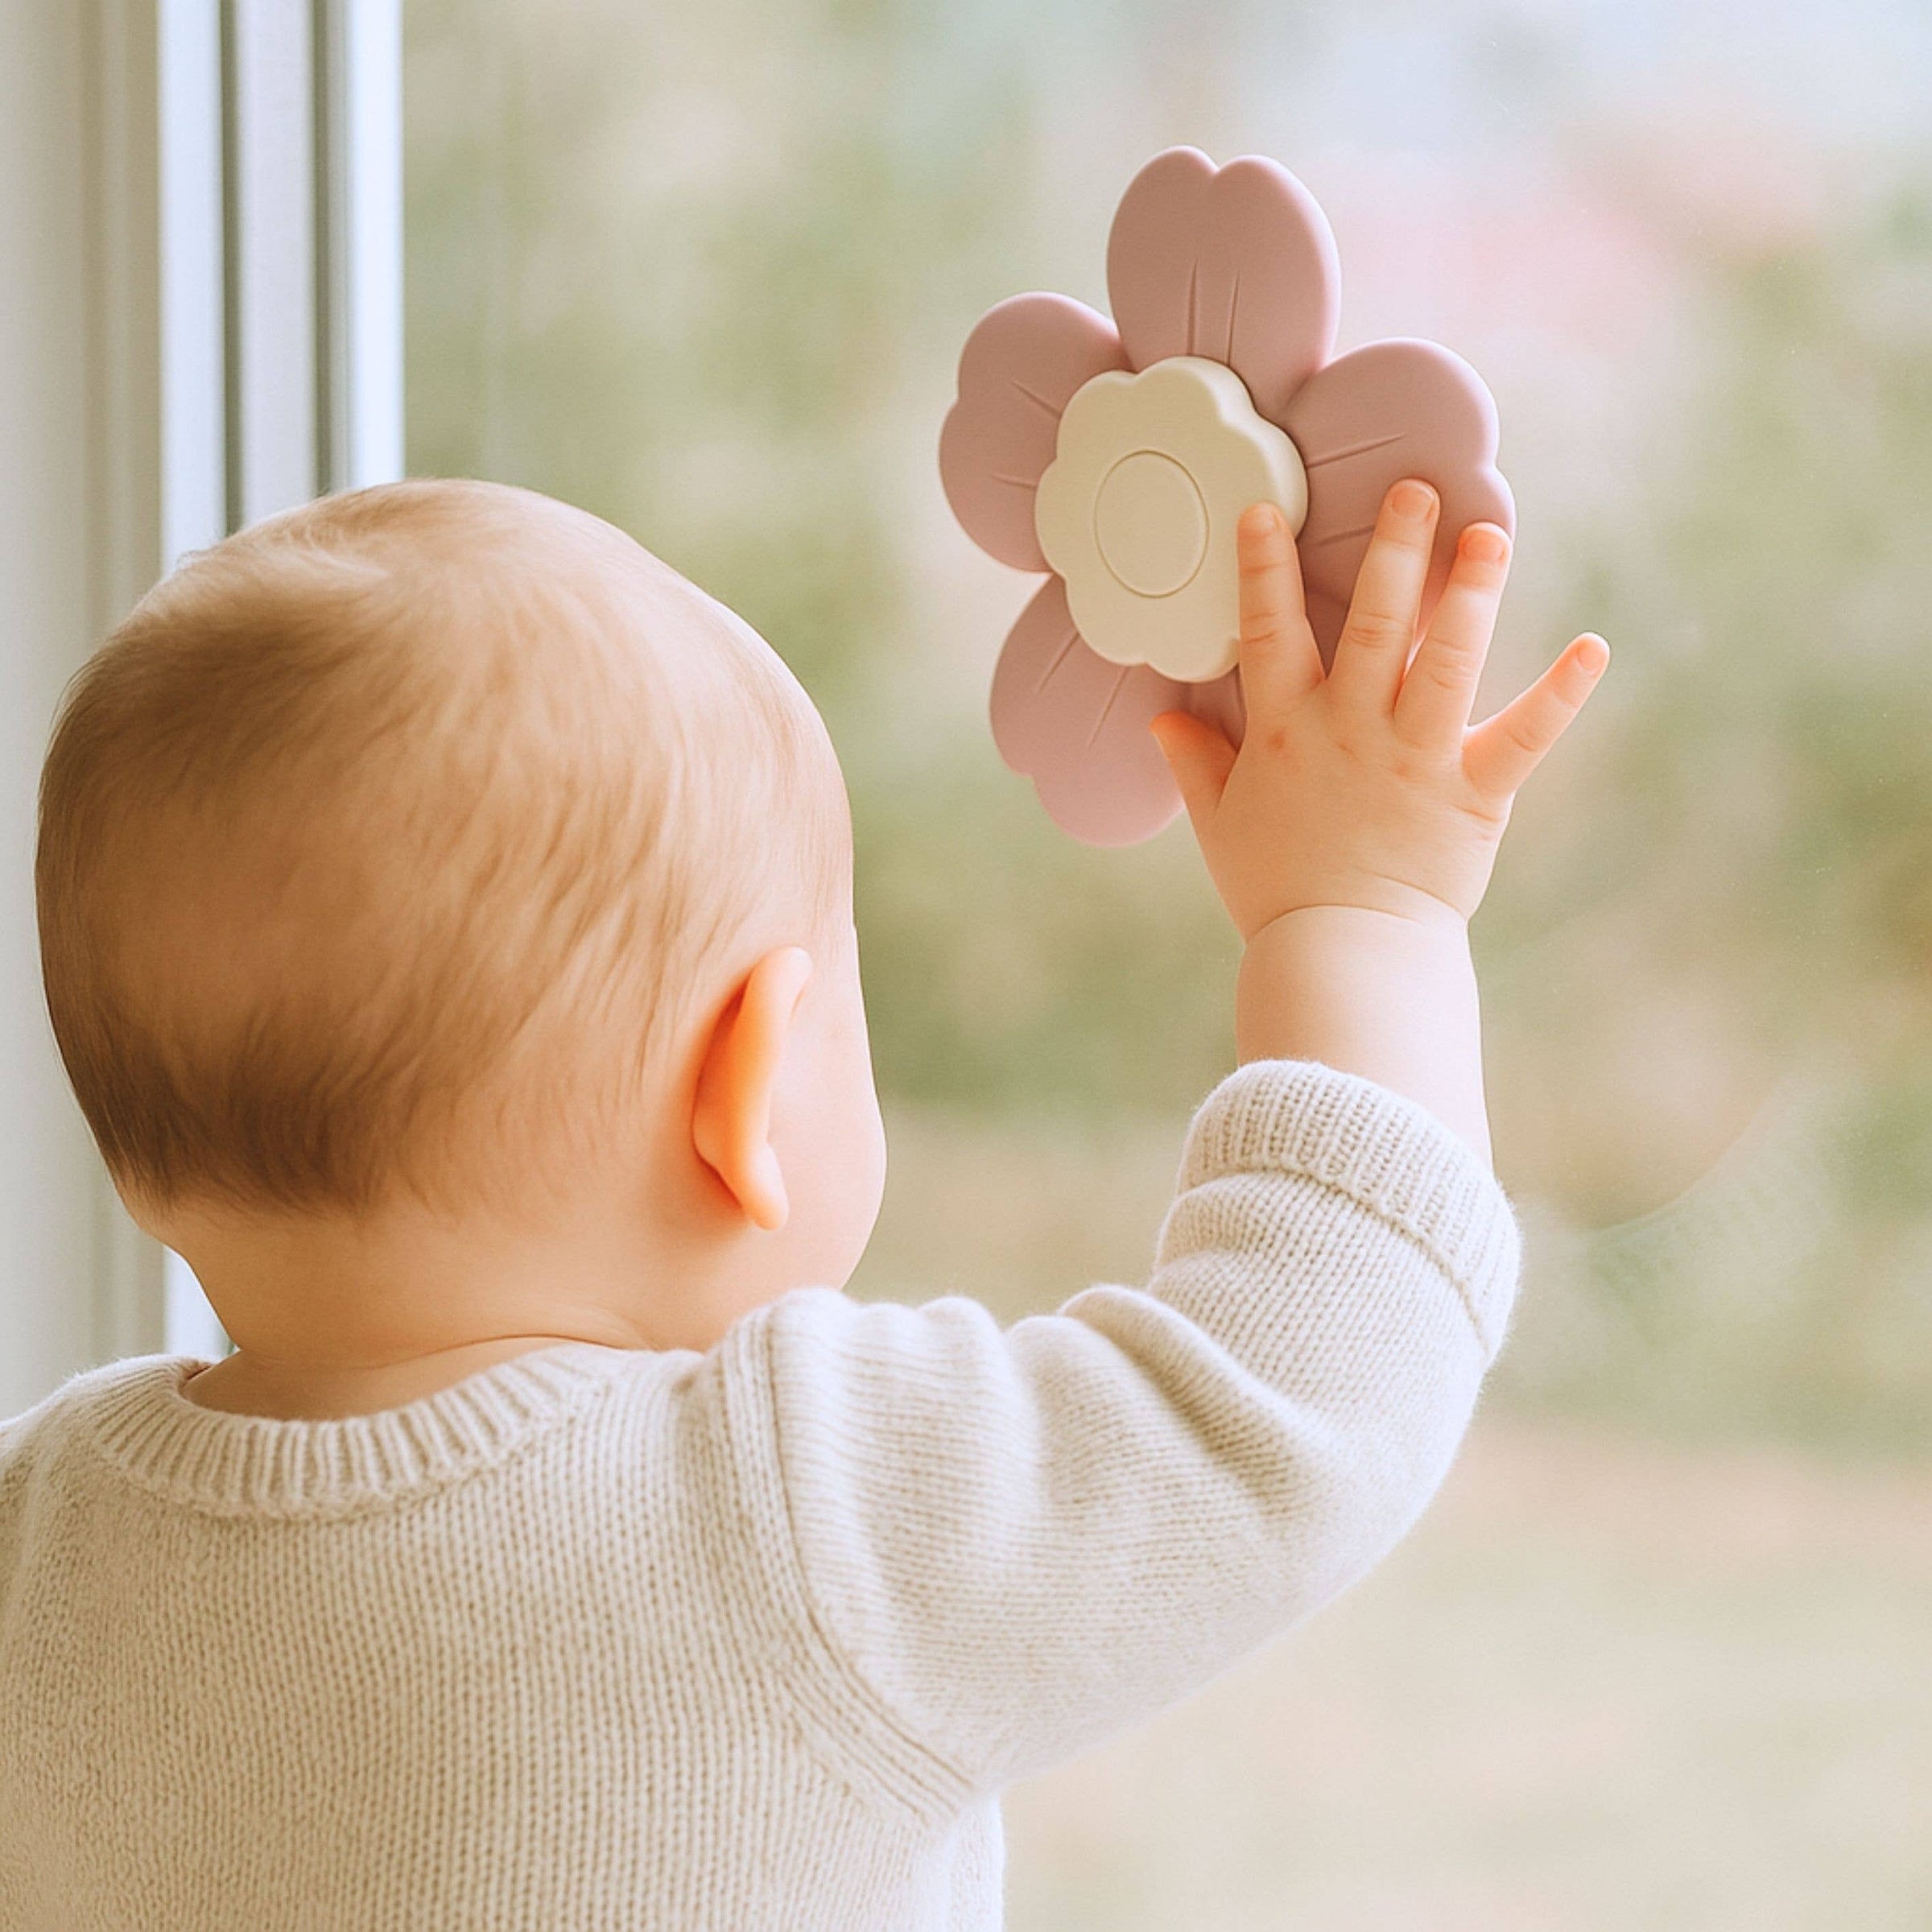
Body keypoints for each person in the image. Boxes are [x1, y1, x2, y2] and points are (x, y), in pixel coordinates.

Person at [0, 473, 1605, 1930]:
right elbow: (1307, 1383)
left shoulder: (35, 1539)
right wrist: (1361, 910)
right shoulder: (787, 1522)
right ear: (742, 1091)